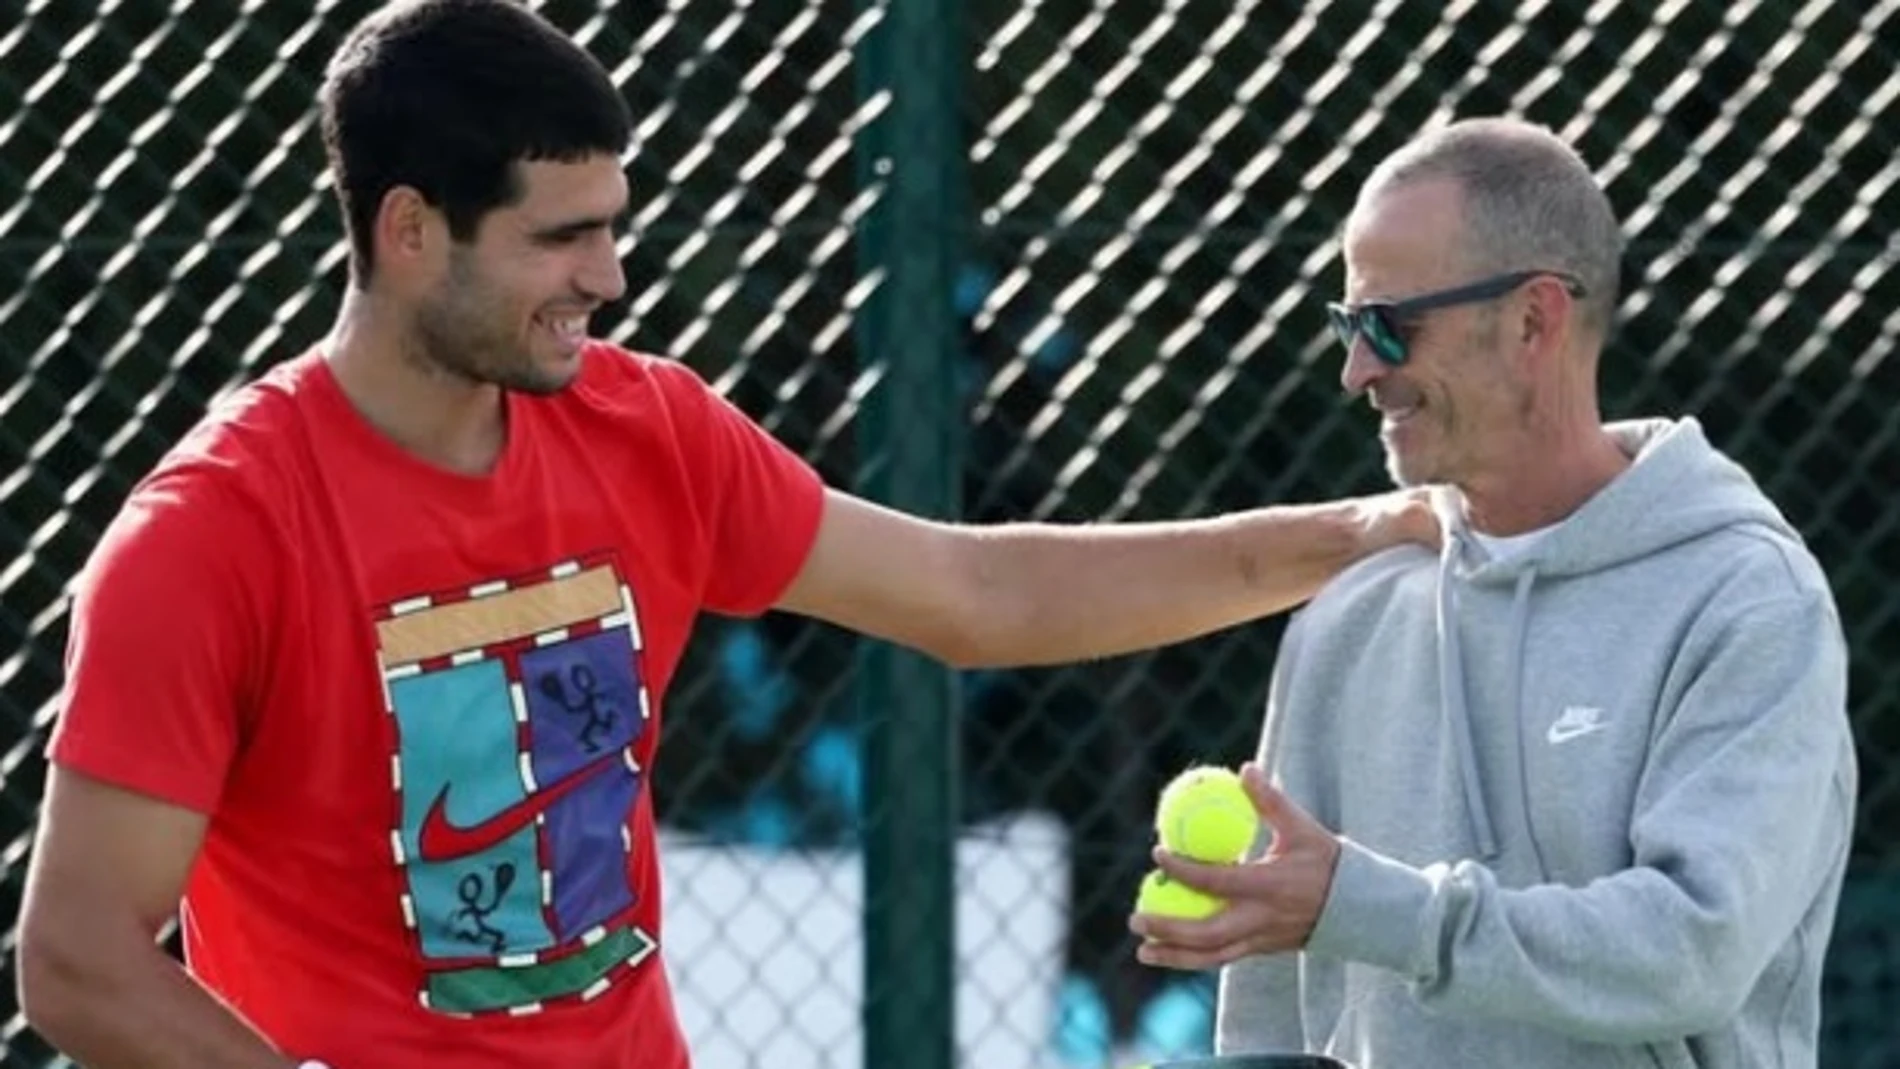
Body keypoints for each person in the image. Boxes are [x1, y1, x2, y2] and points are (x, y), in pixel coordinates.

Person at [12, 3, 1436, 1068]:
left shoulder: (650, 432)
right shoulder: (213, 534)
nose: (608, 277)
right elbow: (76, 958)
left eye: (612, 226)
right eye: (559, 238)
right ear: (408, 232)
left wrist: (1352, 532)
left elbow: (974, 591)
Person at [1128, 118, 1857, 1068]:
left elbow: (1692, 949)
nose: (1358, 370)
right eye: (1348, 325)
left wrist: (1375, 906)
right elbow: (1272, 1016)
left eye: (1390, 325)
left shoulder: (1748, 601)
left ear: (1532, 321)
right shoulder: (1353, 611)